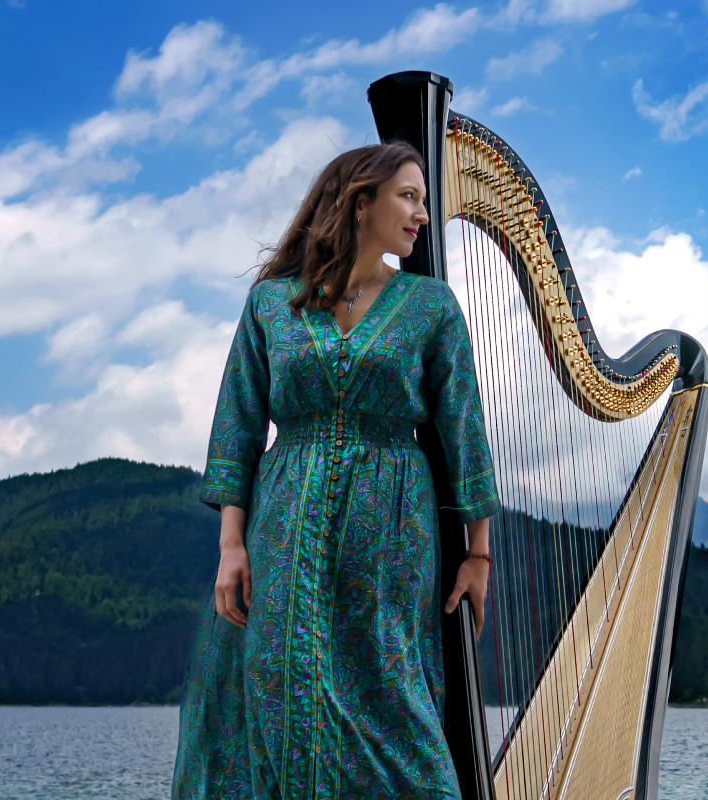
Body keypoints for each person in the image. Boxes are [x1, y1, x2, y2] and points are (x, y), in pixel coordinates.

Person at [172, 141, 498, 799]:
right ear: (360, 202)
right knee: (284, 698)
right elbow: (237, 428)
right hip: (283, 530)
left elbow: (464, 430)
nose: (423, 215)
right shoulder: (271, 304)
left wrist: (479, 554)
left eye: (425, 199)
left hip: (391, 539)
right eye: (409, 196)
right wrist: (230, 546)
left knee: (394, 703)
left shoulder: (430, 306)